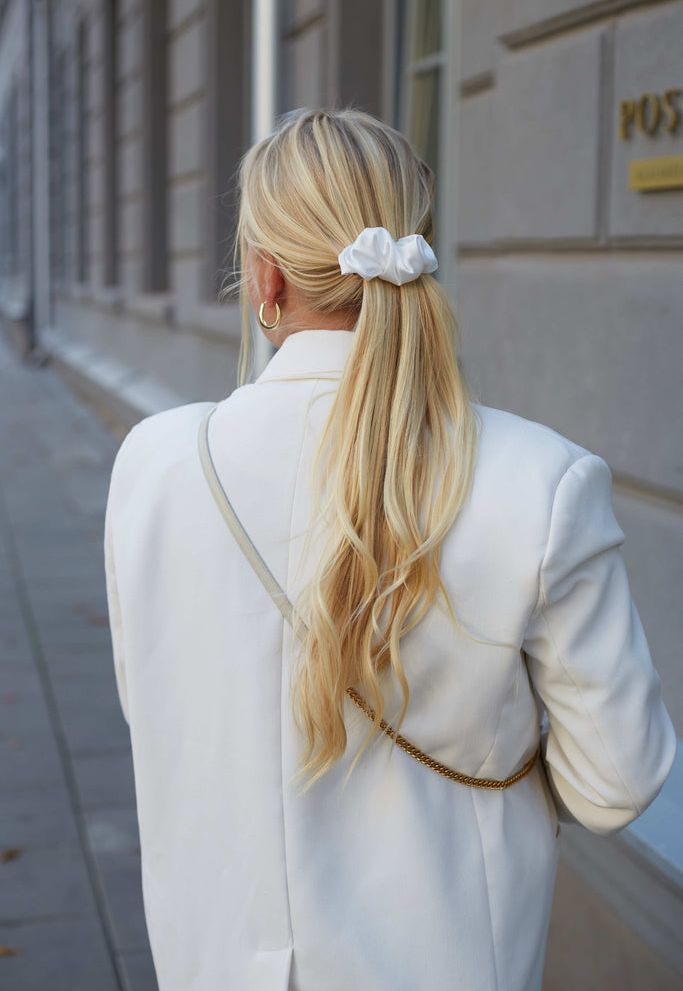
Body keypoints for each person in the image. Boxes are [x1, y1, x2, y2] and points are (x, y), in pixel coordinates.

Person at [104, 108, 675, 991]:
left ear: (264, 278)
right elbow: (616, 782)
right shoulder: (543, 480)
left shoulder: (153, 463)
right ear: (418, 253)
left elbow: (159, 712)